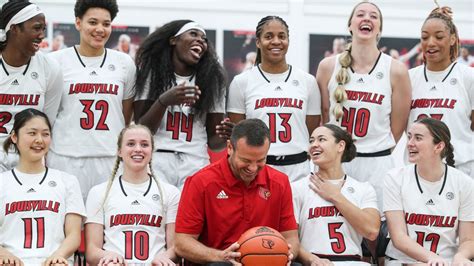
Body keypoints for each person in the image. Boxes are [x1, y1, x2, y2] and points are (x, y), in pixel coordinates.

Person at [175, 119, 299, 265]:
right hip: (219, 261)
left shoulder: (280, 182)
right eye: (246, 160)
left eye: (260, 160)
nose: (253, 168)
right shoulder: (201, 182)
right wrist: (221, 256)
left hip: (265, 259)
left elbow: (291, 238)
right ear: (229, 147)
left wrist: (286, 254)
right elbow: (182, 243)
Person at [47, 0, 136, 200]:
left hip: (109, 157)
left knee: (106, 226)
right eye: (93, 22)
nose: (100, 29)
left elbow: (125, 114)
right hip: (65, 157)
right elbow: (47, 115)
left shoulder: (124, 63)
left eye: (106, 24)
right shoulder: (55, 61)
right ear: (78, 23)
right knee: (66, 225)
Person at [226, 15, 321, 183]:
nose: (276, 41)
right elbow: (239, 132)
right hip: (258, 168)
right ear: (258, 42)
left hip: (298, 168)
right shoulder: (241, 82)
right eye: (269, 36)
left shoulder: (307, 81)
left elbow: (311, 130)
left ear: (288, 41)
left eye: (282, 36)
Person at [134, 19, 226, 188]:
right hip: (158, 158)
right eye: (193, 34)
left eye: (204, 38)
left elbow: (215, 143)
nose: (200, 40)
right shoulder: (152, 73)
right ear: (173, 40)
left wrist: (227, 135)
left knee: (191, 215)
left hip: (195, 161)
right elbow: (142, 130)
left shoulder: (213, 80)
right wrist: (163, 101)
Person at [85, 124, 180, 265]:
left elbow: (175, 248)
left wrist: (164, 257)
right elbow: (92, 251)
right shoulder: (99, 192)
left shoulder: (170, 192)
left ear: (152, 151)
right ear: (119, 151)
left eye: (144, 144)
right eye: (130, 144)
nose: (138, 149)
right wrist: (108, 256)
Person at [0, 109, 85, 265]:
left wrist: (59, 255)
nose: (39, 140)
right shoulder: (2, 182)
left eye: (45, 134)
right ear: (14, 137)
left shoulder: (67, 181)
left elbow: (73, 235)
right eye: (32, 133)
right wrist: (3, 253)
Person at [384, 118, 473, 265]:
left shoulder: (464, 183)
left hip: (446, 261)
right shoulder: (395, 178)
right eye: (409, 136)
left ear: (438, 147)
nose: (410, 143)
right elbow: (398, 237)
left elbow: (468, 239)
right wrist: (430, 257)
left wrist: (461, 256)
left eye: (418, 138)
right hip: (403, 261)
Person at [292, 124, 380, 266]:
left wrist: (336, 196)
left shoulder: (363, 188)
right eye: (311, 141)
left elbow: (371, 231)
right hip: (315, 262)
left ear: (340, 146)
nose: (314, 145)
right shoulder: (297, 188)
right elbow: (290, 239)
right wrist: (311, 260)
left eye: (321, 139)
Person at [409, 5, 474, 178]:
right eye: (424, 37)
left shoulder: (468, 77)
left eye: (439, 37)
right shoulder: (408, 78)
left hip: (460, 170)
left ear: (453, 39)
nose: (430, 43)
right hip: (417, 172)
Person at [0, 0, 63, 172]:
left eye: (43, 29)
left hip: (27, 159)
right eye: (36, 28)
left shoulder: (50, 68)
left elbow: (46, 124)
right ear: (14, 29)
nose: (42, 35)